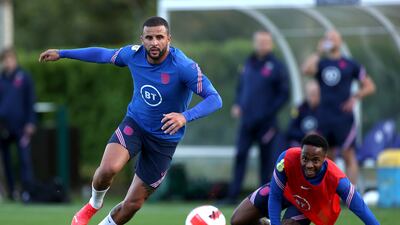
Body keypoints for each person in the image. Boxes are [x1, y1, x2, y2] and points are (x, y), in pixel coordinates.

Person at [39, 16, 222, 225]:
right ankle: (93, 204)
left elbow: (215, 99)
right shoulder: (133, 55)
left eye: (160, 37)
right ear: (142, 39)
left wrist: (184, 116)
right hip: (135, 124)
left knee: (132, 204)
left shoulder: (184, 66)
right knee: (107, 170)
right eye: (149, 37)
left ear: (169, 39)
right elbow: (102, 54)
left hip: (164, 139)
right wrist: (63, 53)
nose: (154, 42)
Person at [230, 134, 380, 225]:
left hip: (308, 203)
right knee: (237, 220)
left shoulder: (337, 179)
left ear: (324, 159)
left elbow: (360, 207)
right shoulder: (287, 158)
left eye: (315, 160)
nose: (309, 165)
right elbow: (275, 196)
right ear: (300, 153)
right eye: (305, 158)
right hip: (286, 192)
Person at [301, 30, 376, 185]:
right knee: (326, 156)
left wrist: (355, 97)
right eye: (328, 38)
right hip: (324, 117)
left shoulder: (350, 64)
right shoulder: (321, 64)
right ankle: (330, 193)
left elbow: (370, 86)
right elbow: (306, 70)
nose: (331, 41)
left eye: (334, 38)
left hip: (344, 118)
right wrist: (318, 52)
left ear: (340, 41)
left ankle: (351, 194)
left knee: (348, 153)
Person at [226, 30, 289, 203]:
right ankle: (233, 195)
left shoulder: (277, 66)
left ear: (271, 44)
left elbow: (284, 94)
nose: (262, 45)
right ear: (255, 43)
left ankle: (263, 198)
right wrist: (238, 104)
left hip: (266, 123)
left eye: (265, 42)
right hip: (246, 121)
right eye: (259, 41)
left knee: (266, 160)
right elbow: (241, 88)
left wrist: (268, 112)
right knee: (240, 155)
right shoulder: (248, 63)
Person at [0, 48, 36, 201]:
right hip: (3, 126)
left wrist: (31, 122)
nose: (8, 62)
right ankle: (12, 191)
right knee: (6, 160)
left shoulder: (24, 77)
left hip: (21, 126)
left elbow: (30, 101)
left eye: (10, 59)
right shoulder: (1, 79)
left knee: (24, 159)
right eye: (5, 59)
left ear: (15, 59)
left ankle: (27, 191)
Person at [286, 80, 320, 147]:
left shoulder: (326, 109)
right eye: (312, 94)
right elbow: (290, 131)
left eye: (317, 94)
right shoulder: (299, 109)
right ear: (306, 95)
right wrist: (305, 135)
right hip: (303, 146)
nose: (315, 97)